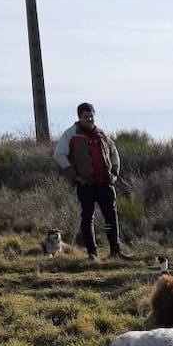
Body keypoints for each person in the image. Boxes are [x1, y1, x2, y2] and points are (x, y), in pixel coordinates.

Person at [53, 102, 131, 260]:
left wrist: (114, 172)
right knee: (88, 217)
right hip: (85, 184)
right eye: (86, 117)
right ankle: (92, 254)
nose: (89, 119)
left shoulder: (101, 134)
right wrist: (74, 175)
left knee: (111, 215)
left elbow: (114, 151)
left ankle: (115, 251)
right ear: (79, 117)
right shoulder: (71, 134)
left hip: (105, 183)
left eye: (91, 116)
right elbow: (59, 155)